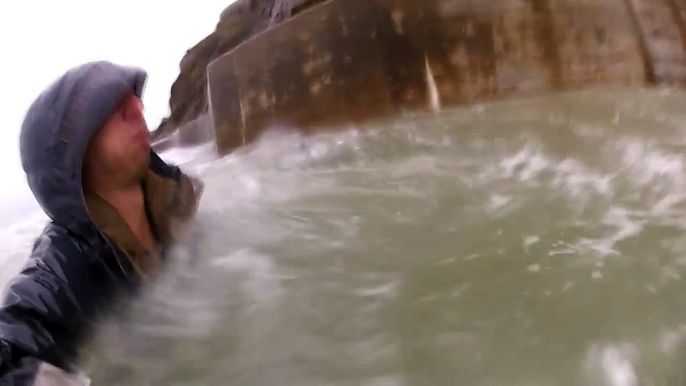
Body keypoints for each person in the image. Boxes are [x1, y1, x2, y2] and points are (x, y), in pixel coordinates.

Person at [0, 61, 204, 385]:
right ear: (68, 156)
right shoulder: (65, 264)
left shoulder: (182, 201)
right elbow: (15, 345)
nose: (135, 107)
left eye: (132, 98)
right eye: (107, 104)